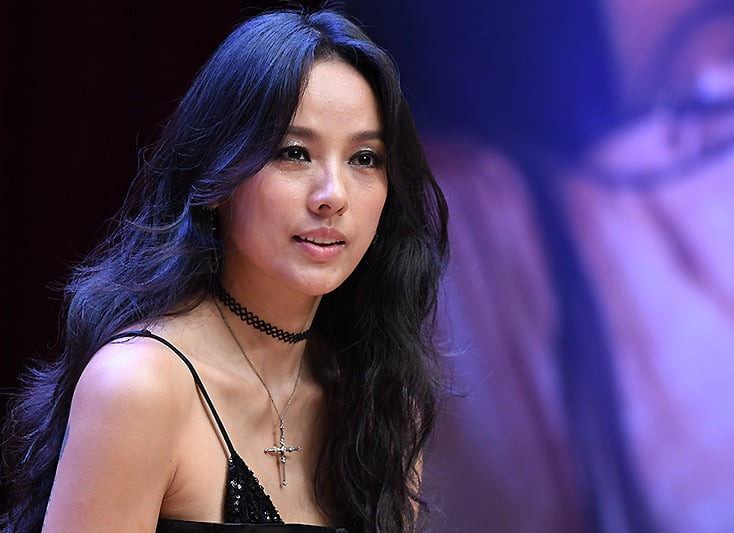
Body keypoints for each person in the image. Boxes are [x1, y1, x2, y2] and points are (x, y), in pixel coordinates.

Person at [1, 8, 448, 533]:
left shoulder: (382, 403)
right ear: (215, 179)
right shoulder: (138, 385)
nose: (333, 196)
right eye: (294, 153)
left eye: (365, 158)